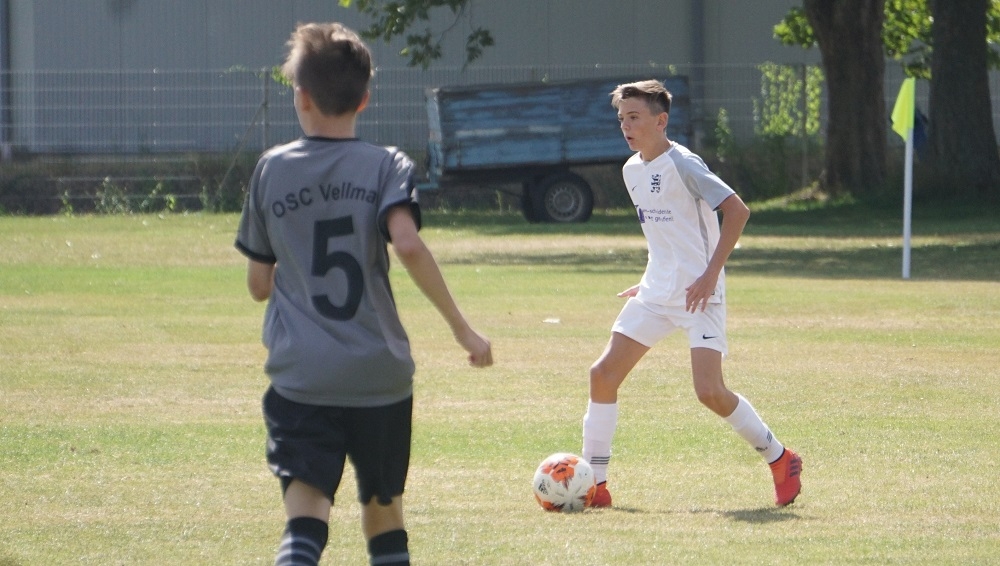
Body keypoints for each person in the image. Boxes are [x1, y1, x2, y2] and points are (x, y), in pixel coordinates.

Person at [235, 22, 493, 566]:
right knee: (384, 511)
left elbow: (259, 286)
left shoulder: (271, 169)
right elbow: (408, 244)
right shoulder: (386, 165)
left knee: (305, 519)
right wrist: (463, 330)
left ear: (301, 97)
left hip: (302, 375)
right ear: (365, 99)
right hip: (379, 373)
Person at [581, 79, 801, 509]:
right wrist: (650, 280)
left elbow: (737, 211)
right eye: (622, 118)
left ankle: (781, 458)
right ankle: (595, 485)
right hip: (656, 292)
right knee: (602, 374)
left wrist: (709, 276)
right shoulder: (631, 170)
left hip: (700, 294)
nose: (626, 126)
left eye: (635, 117)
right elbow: (666, 236)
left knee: (709, 392)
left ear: (660, 121)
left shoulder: (684, 164)